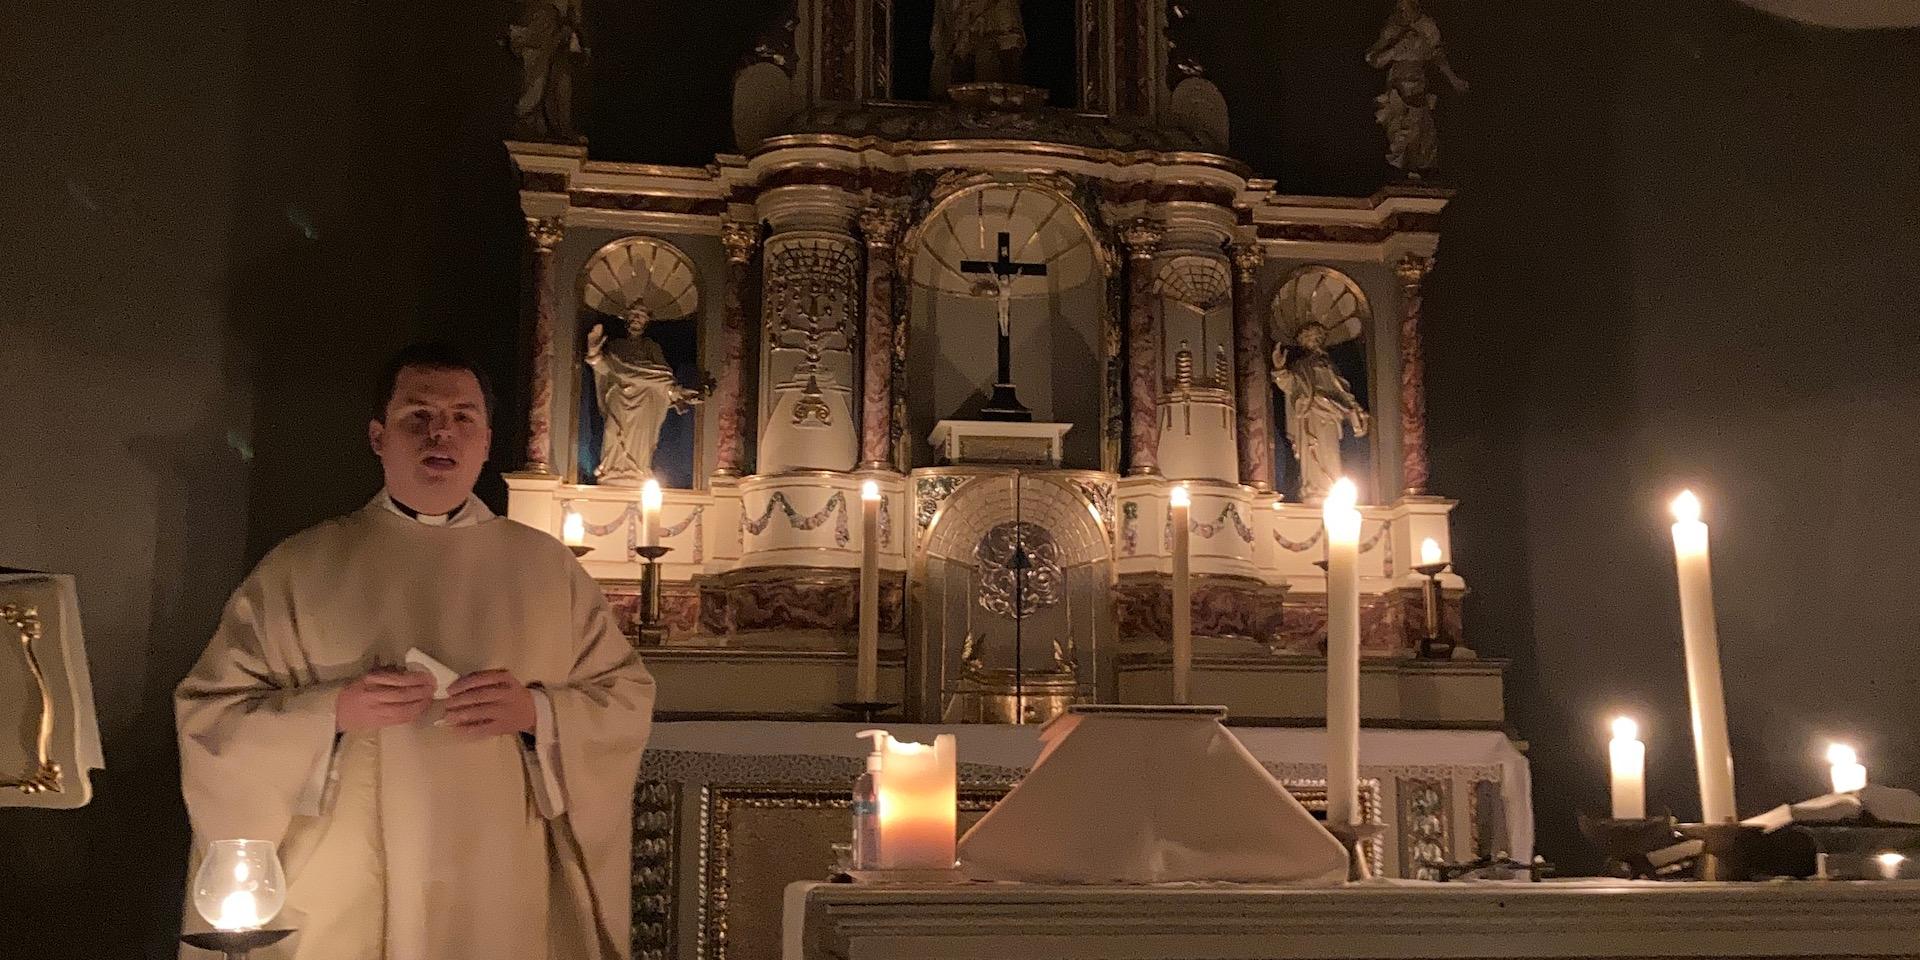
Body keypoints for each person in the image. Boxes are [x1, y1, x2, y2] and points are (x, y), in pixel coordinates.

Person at [176, 342, 656, 959]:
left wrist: (538, 713)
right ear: (379, 437)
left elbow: (625, 697)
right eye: (417, 416)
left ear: (485, 441)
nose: (441, 434)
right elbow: (211, 717)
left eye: (463, 417)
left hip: (498, 866)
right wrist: (333, 713)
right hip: (348, 869)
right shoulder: (302, 567)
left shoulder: (548, 569)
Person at [585, 305, 707, 486]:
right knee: (612, 430)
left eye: (641, 317)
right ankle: (611, 468)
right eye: (633, 315)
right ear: (626, 319)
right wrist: (594, 352)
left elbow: (663, 378)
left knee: (641, 438)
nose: (636, 319)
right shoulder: (616, 346)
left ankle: (637, 470)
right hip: (619, 396)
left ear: (646, 322)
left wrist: (676, 393)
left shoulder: (652, 347)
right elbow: (605, 371)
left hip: (645, 402)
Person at [1272, 323, 1371, 503]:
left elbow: (1342, 391)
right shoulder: (1300, 366)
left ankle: (1329, 492)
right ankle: (1312, 489)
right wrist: (1280, 370)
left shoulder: (1329, 366)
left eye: (1316, 339)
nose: (1313, 342)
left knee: (1329, 455)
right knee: (1310, 455)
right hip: (1308, 415)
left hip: (1329, 414)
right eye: (1309, 339)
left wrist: (1356, 409)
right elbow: (1289, 385)